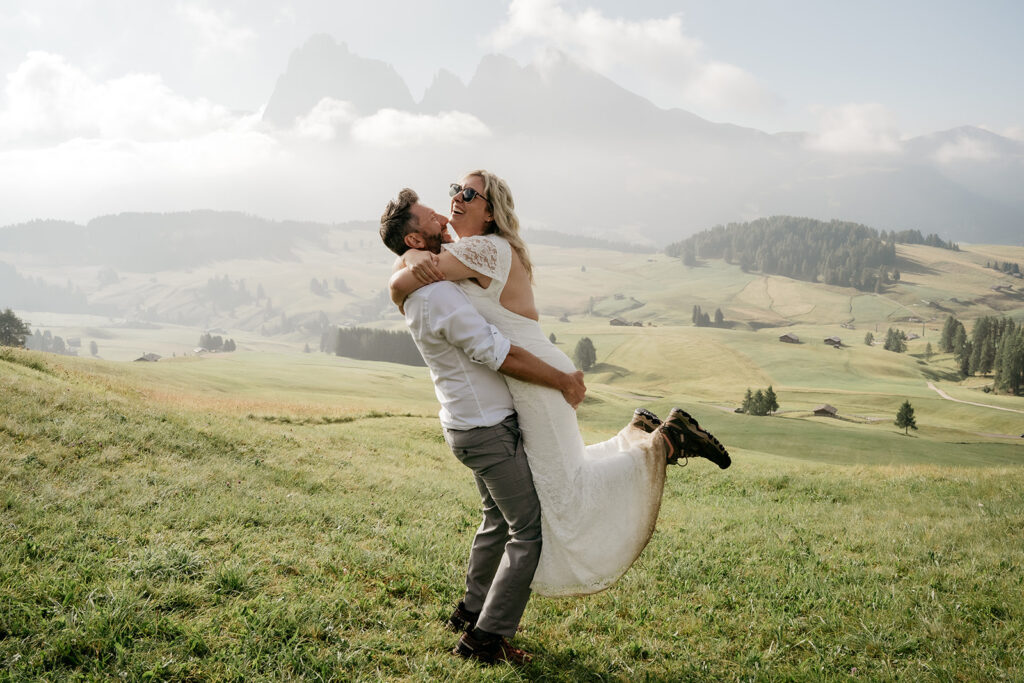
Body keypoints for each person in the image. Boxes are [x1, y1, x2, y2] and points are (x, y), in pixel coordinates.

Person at [388, 172, 730, 601]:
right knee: (561, 476)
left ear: (491, 211)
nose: (456, 198)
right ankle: (638, 433)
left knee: (565, 491)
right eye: (455, 188)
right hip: (528, 377)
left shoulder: (486, 249)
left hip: (538, 377)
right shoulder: (467, 251)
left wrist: (401, 275)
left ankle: (667, 441)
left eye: (469, 193)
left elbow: (409, 278)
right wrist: (409, 264)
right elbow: (418, 268)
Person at [379, 189, 586, 665]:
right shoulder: (436, 295)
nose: (444, 212)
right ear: (415, 237)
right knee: (527, 530)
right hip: (487, 431)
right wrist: (562, 381)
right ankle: (484, 640)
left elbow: (403, 278)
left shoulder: (423, 284)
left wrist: (401, 274)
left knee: (496, 518)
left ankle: (468, 611)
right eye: (432, 216)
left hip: (469, 424)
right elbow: (499, 354)